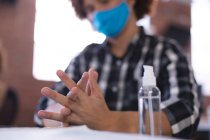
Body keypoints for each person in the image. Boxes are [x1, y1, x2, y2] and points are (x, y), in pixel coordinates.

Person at [34, 0, 200, 138]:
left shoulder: (167, 53)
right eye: (90, 8)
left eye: (104, 1)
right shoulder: (84, 59)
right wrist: (67, 113)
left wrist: (108, 121)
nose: (97, 12)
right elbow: (44, 112)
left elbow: (186, 113)